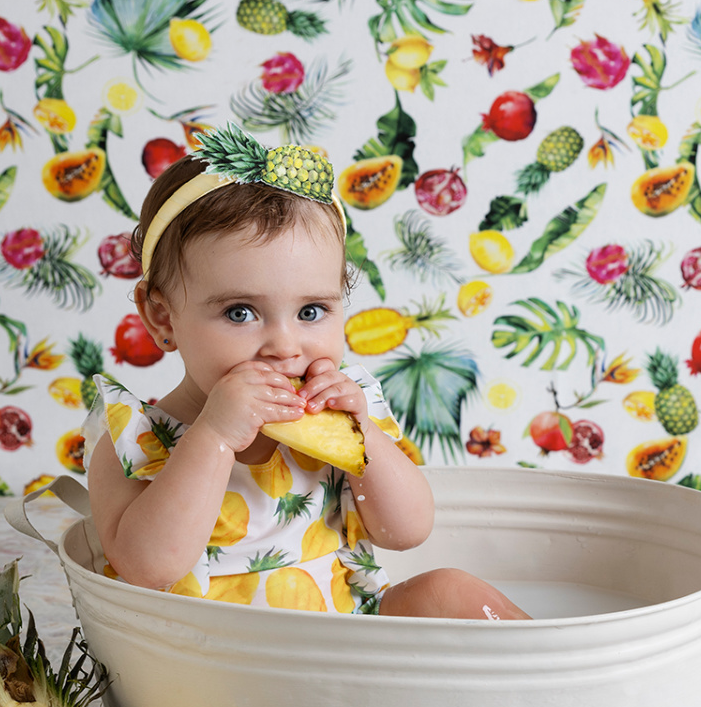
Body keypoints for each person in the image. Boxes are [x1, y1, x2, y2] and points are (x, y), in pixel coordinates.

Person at [85, 127, 528, 620]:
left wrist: (363, 435)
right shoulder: (136, 440)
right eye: (239, 313)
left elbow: (406, 532)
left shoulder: (345, 411)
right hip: (218, 662)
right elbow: (147, 567)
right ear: (164, 318)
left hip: (347, 639)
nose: (285, 347)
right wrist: (211, 437)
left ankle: (555, 671)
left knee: (452, 591)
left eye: (312, 311)